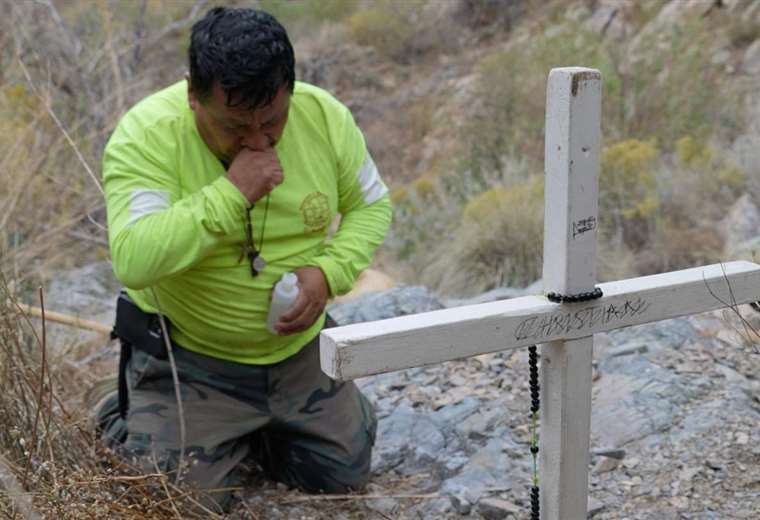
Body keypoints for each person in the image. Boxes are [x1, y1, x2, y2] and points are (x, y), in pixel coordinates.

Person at [94, 6, 391, 511]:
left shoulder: (326, 117)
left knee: (341, 474)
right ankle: (127, 413)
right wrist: (232, 193)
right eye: (234, 125)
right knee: (180, 502)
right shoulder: (146, 135)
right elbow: (135, 258)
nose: (258, 141)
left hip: (296, 352)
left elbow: (371, 205)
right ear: (193, 95)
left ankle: (252, 430)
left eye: (272, 120)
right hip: (190, 361)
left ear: (291, 91)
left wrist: (328, 271)